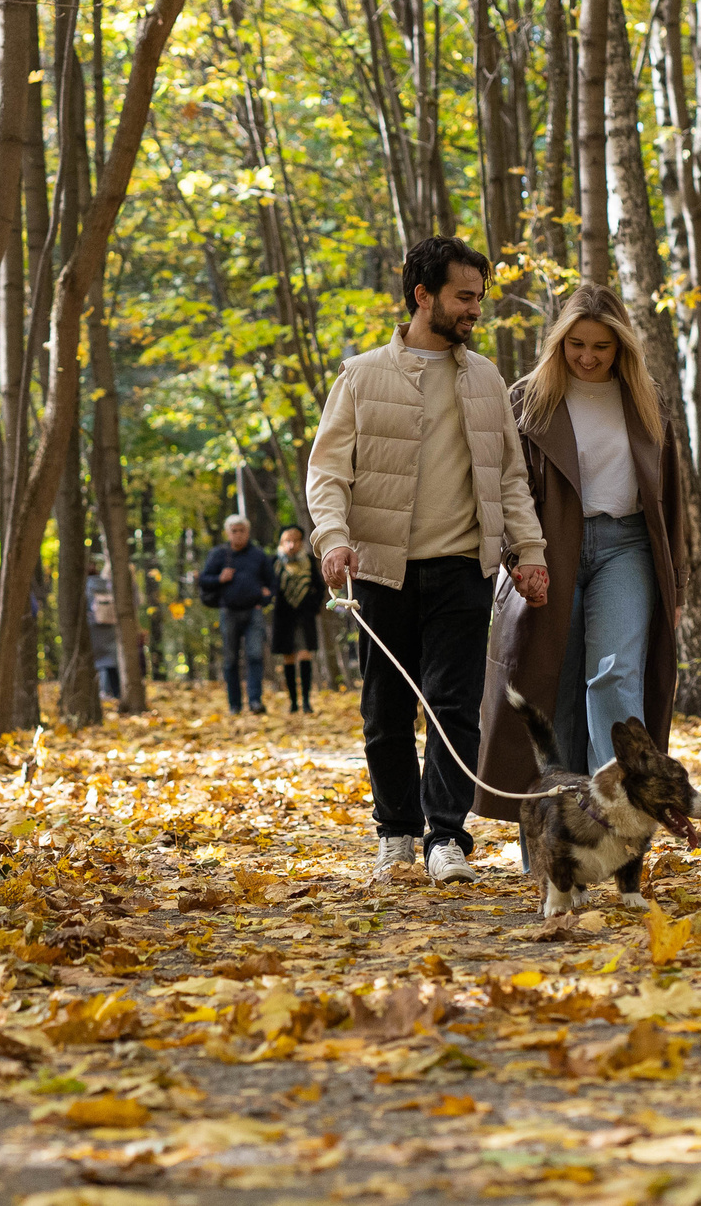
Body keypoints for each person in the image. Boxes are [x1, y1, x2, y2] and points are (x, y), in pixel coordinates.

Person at [306, 234, 549, 884]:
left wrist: (529, 551)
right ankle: (395, 834)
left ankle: (445, 838)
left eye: (479, 296)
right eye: (464, 296)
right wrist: (332, 538)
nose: (475, 309)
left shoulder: (487, 378)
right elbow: (327, 472)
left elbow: (511, 478)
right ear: (423, 295)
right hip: (381, 569)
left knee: (453, 705)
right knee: (385, 712)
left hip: (463, 567)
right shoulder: (361, 376)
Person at [475, 285, 687, 826]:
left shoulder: (646, 400)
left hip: (627, 547)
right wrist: (517, 556)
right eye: (577, 345)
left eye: (601, 346)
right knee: (553, 689)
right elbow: (505, 488)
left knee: (615, 675)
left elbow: (671, 496)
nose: (588, 357)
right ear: (559, 342)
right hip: (548, 551)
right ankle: (555, 832)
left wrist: (677, 586)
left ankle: (617, 820)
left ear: (621, 347)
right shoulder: (527, 399)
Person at [197, 514, 279, 714]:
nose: (238, 534)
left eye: (242, 530)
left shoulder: (258, 555)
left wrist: (264, 599)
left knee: (255, 656)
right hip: (229, 612)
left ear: (247, 532)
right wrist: (220, 579)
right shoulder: (218, 554)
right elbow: (203, 580)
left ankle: (255, 701)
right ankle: (234, 705)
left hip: (253, 612)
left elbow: (273, 583)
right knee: (230, 660)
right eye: (234, 531)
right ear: (228, 533)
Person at [271, 523, 326, 713]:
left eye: (295, 540)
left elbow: (319, 586)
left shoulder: (308, 560)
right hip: (283, 616)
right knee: (288, 657)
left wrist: (313, 606)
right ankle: (293, 702)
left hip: (304, 616)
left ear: (301, 542)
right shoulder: (274, 562)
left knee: (304, 654)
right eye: (287, 540)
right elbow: (269, 586)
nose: (291, 544)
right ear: (281, 542)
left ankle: (307, 702)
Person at [87, 563, 123, 702]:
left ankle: (101, 692)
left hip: (94, 628)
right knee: (112, 662)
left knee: (97, 663)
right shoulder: (108, 586)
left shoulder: (86, 587)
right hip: (110, 626)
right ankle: (116, 693)